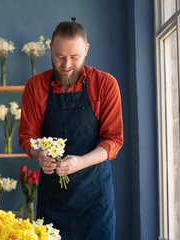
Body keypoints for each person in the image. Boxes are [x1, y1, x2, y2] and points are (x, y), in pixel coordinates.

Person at [18, 18, 123, 240]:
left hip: (95, 202)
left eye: (75, 57)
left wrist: (81, 162)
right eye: (59, 56)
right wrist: (39, 153)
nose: (66, 64)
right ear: (50, 49)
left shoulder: (105, 84)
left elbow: (113, 140)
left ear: (86, 50)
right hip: (53, 201)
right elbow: (28, 136)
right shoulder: (35, 86)